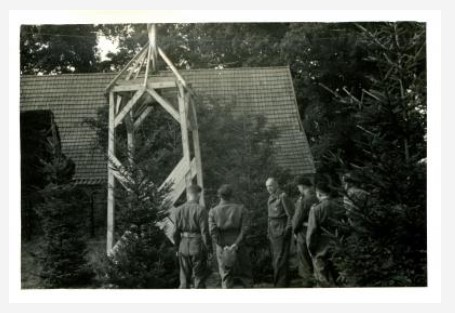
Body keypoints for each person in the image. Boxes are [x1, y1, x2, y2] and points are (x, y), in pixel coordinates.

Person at [209, 184, 253, 288]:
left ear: (219, 196)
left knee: (225, 275)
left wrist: (223, 246)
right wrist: (236, 244)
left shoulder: (213, 211)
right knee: (246, 275)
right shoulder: (241, 209)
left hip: (222, 245)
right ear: (231, 195)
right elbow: (245, 229)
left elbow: (213, 232)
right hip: (239, 244)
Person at [172, 184, 212, 289]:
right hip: (197, 246)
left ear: (188, 195)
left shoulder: (178, 210)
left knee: (184, 279)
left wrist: (177, 247)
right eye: (200, 195)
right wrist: (209, 249)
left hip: (183, 246)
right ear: (198, 195)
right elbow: (205, 232)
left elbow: (175, 232)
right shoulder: (201, 210)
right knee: (198, 278)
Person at [306, 181, 344, 287]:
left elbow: (311, 232)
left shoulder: (316, 210)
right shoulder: (340, 205)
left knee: (322, 283)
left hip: (320, 250)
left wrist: (310, 249)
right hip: (338, 246)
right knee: (341, 281)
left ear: (318, 193)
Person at [266, 177, 294, 287]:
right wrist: (268, 231)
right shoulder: (270, 197)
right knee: (276, 258)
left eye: (271, 185)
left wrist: (287, 229)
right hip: (273, 231)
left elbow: (290, 215)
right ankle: (280, 283)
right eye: (267, 186)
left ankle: (281, 285)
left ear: (276, 184)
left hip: (281, 229)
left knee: (280, 258)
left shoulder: (283, 197)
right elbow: (269, 217)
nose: (269, 188)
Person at [292, 176, 318, 287]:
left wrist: (294, 230)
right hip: (316, 232)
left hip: (303, 232)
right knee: (314, 258)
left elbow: (297, 219)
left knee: (304, 260)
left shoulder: (304, 200)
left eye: (298, 187)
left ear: (302, 186)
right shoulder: (317, 197)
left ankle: (308, 283)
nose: (298, 189)